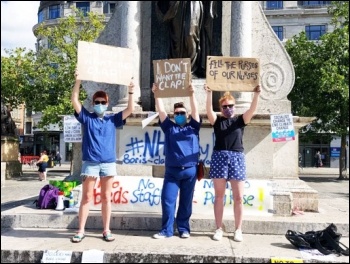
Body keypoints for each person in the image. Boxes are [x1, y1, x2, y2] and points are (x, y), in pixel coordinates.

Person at [70, 70, 135, 243]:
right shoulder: (87, 118)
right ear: (93, 103)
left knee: (107, 197)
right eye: (97, 102)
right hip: (90, 163)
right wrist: (78, 81)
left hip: (108, 163)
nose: (99, 104)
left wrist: (130, 91)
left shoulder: (112, 119)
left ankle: (106, 230)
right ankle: (80, 230)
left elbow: (130, 109)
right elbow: (74, 100)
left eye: (102, 102)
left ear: (107, 103)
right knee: (86, 197)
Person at [204, 83, 261, 242]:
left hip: (237, 157)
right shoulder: (217, 121)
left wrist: (256, 94)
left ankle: (238, 229)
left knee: (238, 197)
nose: (228, 108)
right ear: (221, 108)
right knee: (219, 196)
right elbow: (209, 110)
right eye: (224, 106)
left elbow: (252, 110)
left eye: (230, 106)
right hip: (219, 157)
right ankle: (218, 228)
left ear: (235, 106)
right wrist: (209, 93)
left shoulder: (240, 120)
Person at [151, 82, 201, 239]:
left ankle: (184, 228)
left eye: (182, 112)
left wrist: (192, 94)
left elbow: (196, 111)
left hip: (190, 171)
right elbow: (161, 110)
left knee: (186, 203)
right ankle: (166, 230)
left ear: (187, 115)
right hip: (172, 171)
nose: (179, 115)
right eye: (176, 113)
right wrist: (156, 94)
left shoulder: (193, 127)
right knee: (167, 200)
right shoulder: (169, 128)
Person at [156, 1, 218, 78]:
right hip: (177, 5)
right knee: (177, 39)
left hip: (194, 3)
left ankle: (190, 69)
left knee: (190, 35)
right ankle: (176, 70)